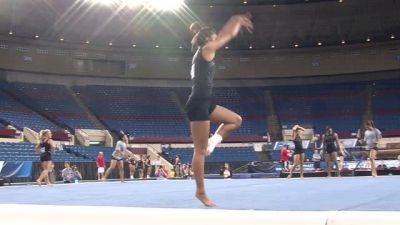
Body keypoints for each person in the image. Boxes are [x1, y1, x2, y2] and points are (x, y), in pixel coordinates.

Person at [185, 14, 254, 207]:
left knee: (235, 120)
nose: (217, 39)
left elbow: (222, 35)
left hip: (205, 102)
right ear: (208, 39)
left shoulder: (204, 50)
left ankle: (213, 141)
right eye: (214, 37)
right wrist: (235, 22)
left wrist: (233, 19)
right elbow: (226, 36)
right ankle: (200, 191)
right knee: (199, 152)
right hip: (198, 103)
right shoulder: (206, 49)